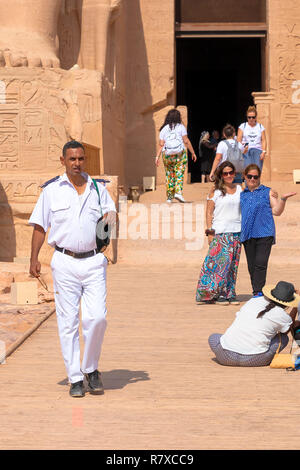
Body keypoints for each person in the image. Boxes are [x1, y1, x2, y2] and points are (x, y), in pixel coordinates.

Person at [29, 140, 117, 398]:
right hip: (64, 262)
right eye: (72, 159)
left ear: (84, 160)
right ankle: (76, 377)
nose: (77, 163)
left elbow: (110, 218)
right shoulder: (51, 191)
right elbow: (39, 227)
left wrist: (106, 223)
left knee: (96, 318)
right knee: (67, 323)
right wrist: (33, 259)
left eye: (80, 159)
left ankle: (90, 367)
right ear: (63, 161)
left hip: (92, 261)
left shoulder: (98, 189)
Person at [208, 281, 300, 367]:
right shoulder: (282, 315)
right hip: (254, 359)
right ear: (289, 302)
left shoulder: (253, 301)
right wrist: (295, 307)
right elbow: (287, 329)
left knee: (213, 337)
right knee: (283, 338)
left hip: (225, 356)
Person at [241, 164, 296, 298]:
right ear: (245, 177)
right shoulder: (241, 194)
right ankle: (256, 289)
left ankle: (258, 292)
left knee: (260, 263)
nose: (253, 179)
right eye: (250, 176)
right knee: (251, 265)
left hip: (264, 232)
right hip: (247, 233)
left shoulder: (268, 192)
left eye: (256, 176)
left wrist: (282, 199)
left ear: (259, 177)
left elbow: (276, 211)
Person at [196, 161, 242, 305]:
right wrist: (209, 232)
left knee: (232, 266)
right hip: (221, 233)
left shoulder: (240, 189)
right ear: (221, 175)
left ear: (235, 173)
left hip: (237, 232)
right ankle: (215, 294)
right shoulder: (215, 191)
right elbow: (209, 213)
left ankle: (229, 294)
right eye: (225, 173)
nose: (228, 176)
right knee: (219, 265)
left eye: (231, 173)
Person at [155, 108, 197, 203]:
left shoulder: (164, 129)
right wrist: (193, 152)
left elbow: (161, 144)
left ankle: (169, 197)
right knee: (179, 173)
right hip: (179, 155)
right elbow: (186, 141)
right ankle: (178, 192)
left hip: (167, 155)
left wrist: (157, 156)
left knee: (169, 175)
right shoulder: (181, 127)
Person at [237, 105, 267, 171]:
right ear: (247, 117)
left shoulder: (260, 126)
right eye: (249, 117)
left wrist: (263, 152)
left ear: (256, 117)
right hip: (246, 151)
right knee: (248, 171)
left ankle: (257, 182)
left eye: (253, 117)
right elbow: (238, 139)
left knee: (257, 170)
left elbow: (264, 140)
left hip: (258, 150)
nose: (251, 119)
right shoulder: (243, 126)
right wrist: (242, 149)